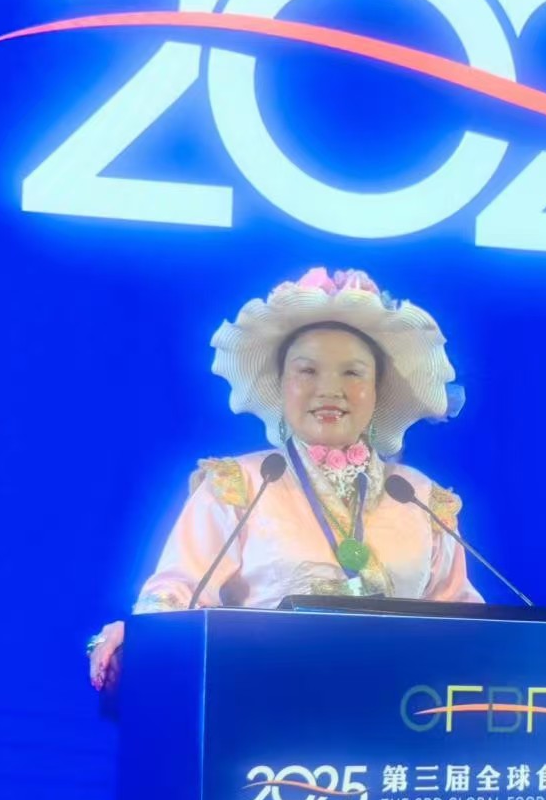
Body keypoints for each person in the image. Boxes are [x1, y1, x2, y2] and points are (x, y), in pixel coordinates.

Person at [88, 267, 480, 690]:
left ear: (378, 388)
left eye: (352, 373)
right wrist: (144, 636)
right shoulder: (240, 485)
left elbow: (466, 622)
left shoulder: (419, 497)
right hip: (262, 702)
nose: (329, 389)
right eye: (307, 371)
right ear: (280, 384)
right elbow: (178, 590)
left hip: (402, 708)